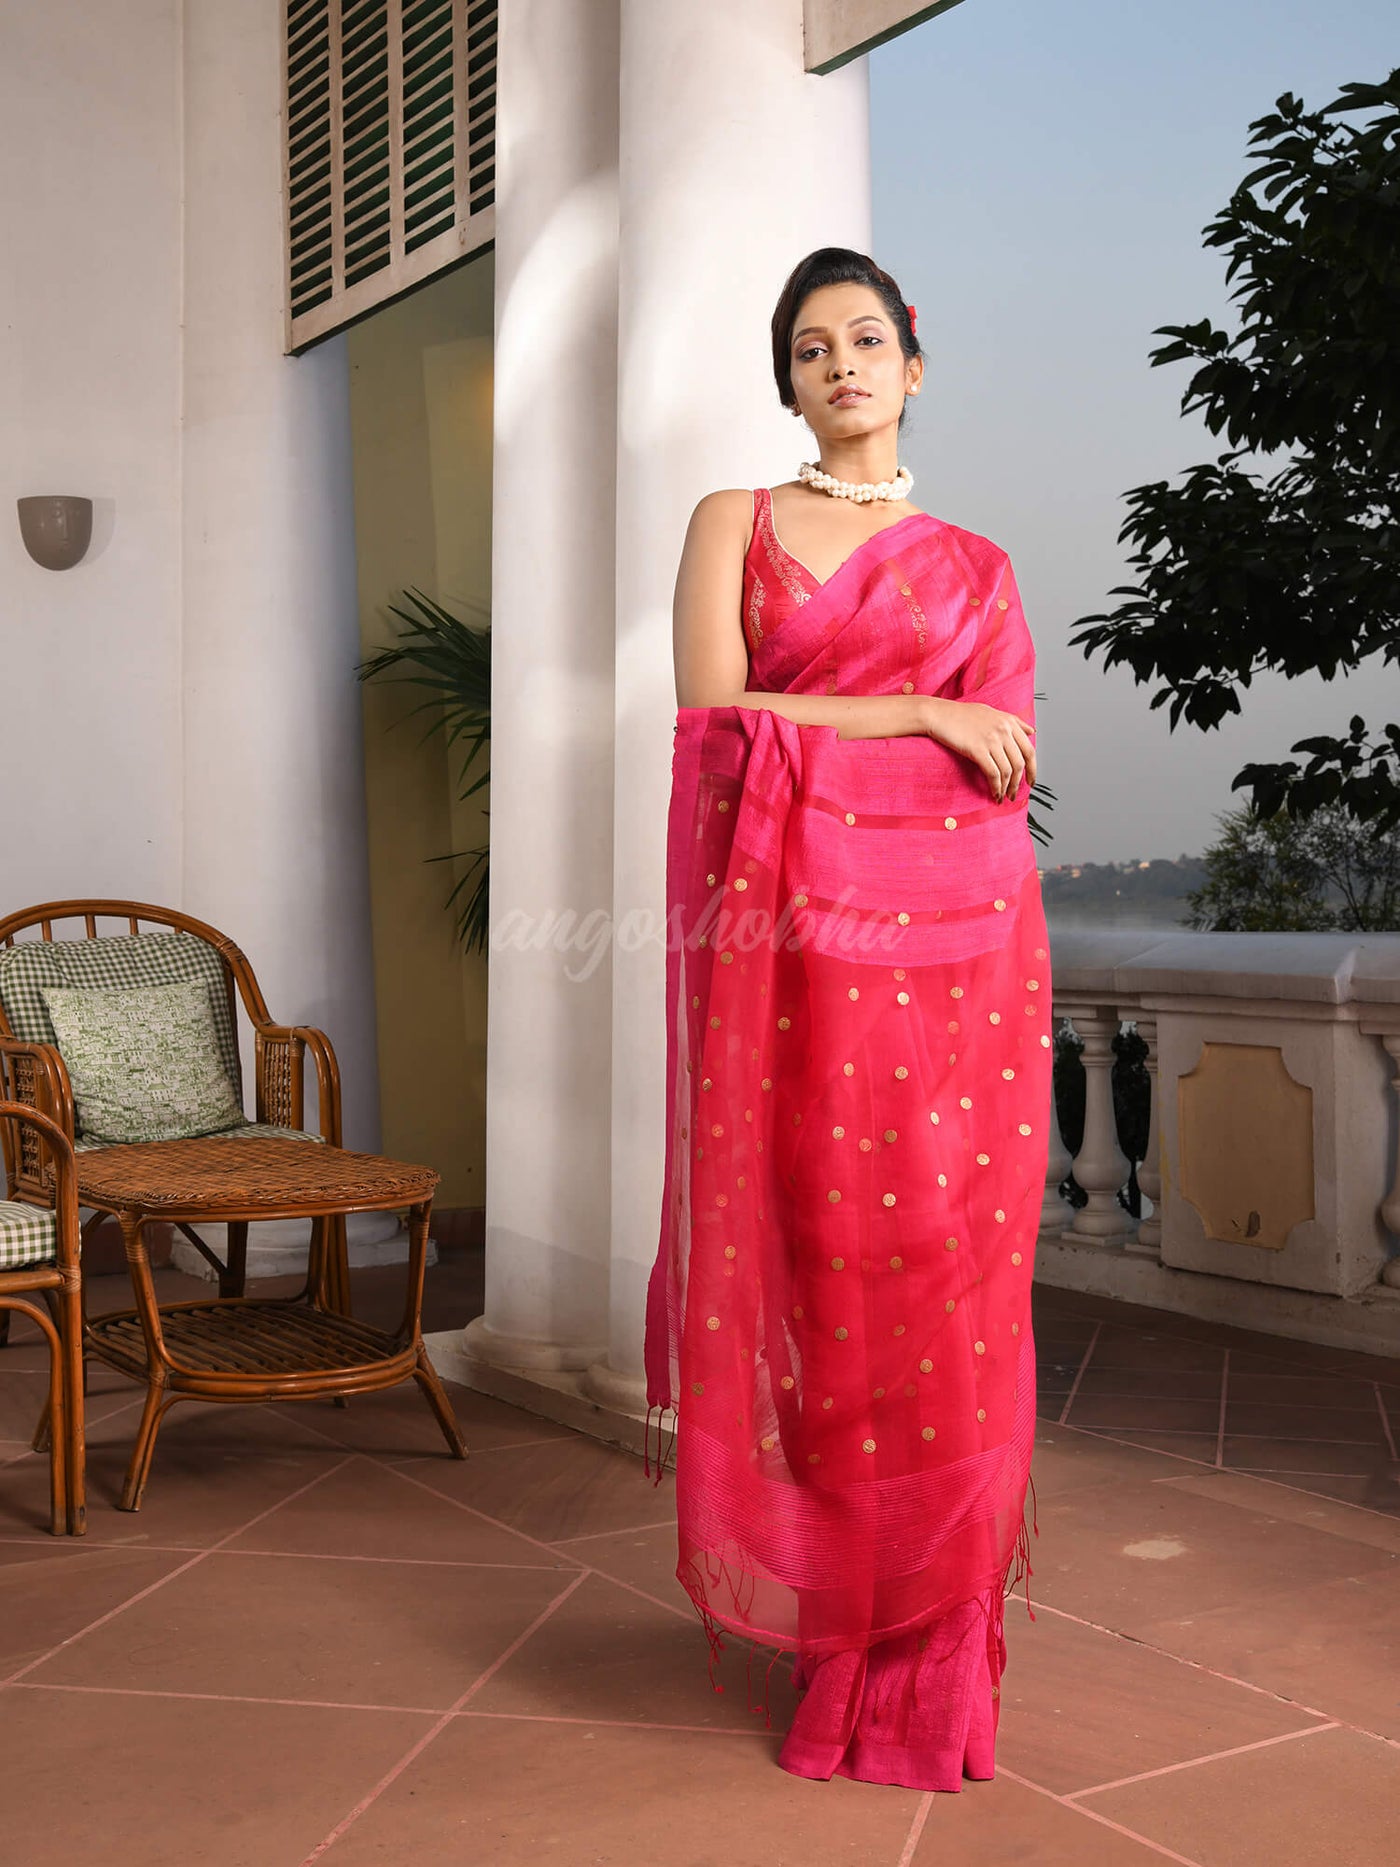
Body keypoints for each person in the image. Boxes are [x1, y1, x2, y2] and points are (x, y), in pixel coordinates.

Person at [644, 246, 1050, 1792]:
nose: (842, 365)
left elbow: (994, 784)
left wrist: (919, 740)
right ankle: (841, 1632)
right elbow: (711, 722)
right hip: (791, 975)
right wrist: (917, 713)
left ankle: (931, 1648)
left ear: (913, 366)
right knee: (822, 1286)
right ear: (790, 381)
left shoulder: (979, 568)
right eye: (812, 348)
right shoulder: (733, 524)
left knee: (945, 1287)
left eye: (867, 339)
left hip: (953, 983)